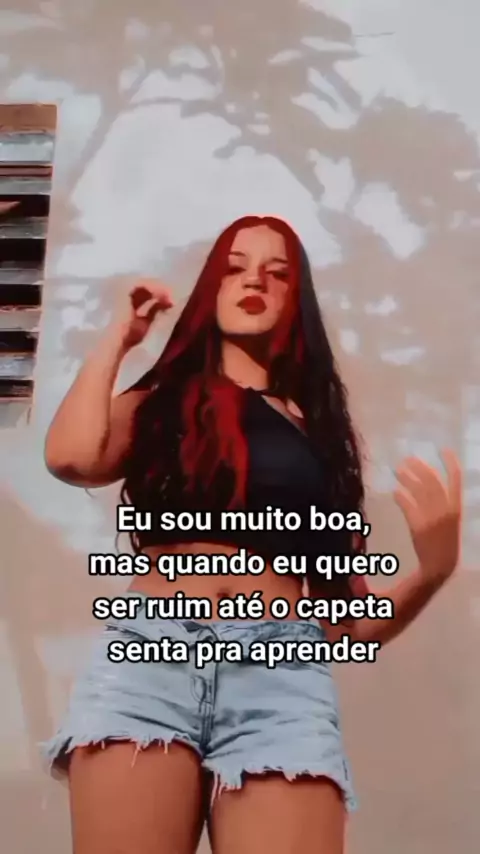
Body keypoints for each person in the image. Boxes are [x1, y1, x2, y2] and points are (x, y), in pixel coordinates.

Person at [42, 216, 462, 854]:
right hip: (151, 658)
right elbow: (72, 457)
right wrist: (119, 339)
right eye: (235, 268)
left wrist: (434, 570)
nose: (254, 282)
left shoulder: (320, 437)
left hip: (280, 676)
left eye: (277, 272)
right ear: (211, 289)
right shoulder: (164, 398)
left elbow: (348, 625)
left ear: (297, 298)